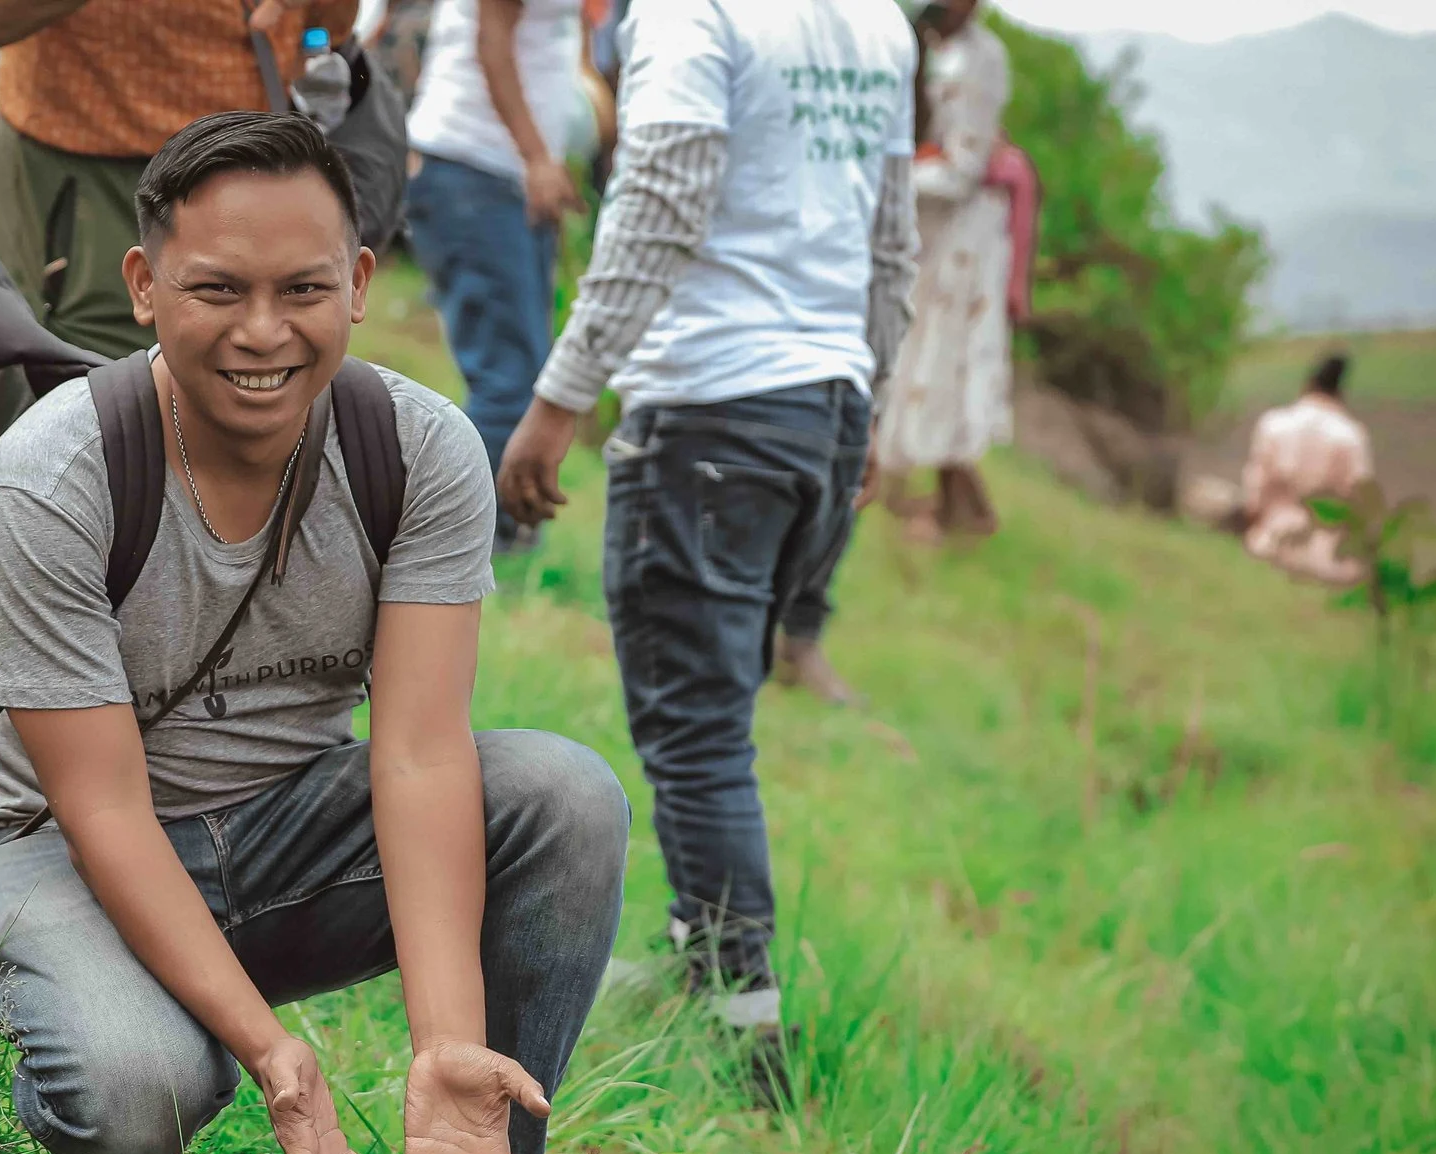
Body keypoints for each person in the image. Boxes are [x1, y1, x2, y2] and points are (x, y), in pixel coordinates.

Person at [0, 112, 631, 1154]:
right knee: (131, 1093)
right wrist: (271, 1052)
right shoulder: (50, 477)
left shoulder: (418, 451)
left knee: (566, 795)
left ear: (359, 283)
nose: (263, 333)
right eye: (217, 289)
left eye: (302, 290)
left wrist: (445, 1045)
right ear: (144, 286)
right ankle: (79, 1042)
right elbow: (102, 809)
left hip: (285, 837)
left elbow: (417, 754)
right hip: (72, 850)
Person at [494, 0, 917, 1086]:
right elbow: (889, 240)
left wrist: (559, 397)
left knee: (697, 732)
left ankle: (742, 1012)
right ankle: (703, 955)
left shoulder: (696, 12)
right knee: (715, 720)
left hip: (714, 406)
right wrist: (865, 401)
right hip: (821, 406)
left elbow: (661, 203)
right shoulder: (876, 21)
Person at [0, 0, 358, 469]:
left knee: (249, 441)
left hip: (257, 175)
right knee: (78, 434)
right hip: (85, 172)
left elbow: (331, 24)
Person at [403, 0, 589, 553]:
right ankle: (473, 551)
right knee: (507, 379)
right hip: (475, 170)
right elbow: (492, 40)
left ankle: (497, 544)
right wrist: (537, 159)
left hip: (501, 177)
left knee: (524, 371)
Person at [872, 0, 1013, 548]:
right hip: (925, 228)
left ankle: (960, 506)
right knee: (918, 352)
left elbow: (962, 170)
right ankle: (946, 499)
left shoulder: (983, 58)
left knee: (945, 356)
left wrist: (883, 171)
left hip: (961, 239)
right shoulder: (927, 40)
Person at [1240, 353, 1374, 586]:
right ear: (1340, 392)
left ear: (1308, 384)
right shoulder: (1351, 435)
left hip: (1271, 544)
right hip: (1327, 558)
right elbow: (1361, 502)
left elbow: (1254, 494)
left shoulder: (1274, 424)